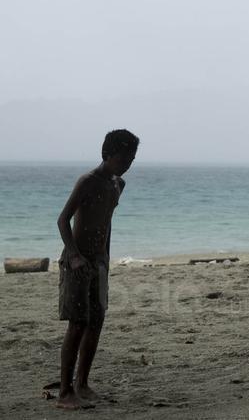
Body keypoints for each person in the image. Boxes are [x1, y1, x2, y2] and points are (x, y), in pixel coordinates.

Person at [55, 129, 139, 410]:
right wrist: (75, 257)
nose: (127, 163)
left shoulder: (119, 185)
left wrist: (105, 258)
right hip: (77, 262)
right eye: (123, 157)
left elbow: (107, 222)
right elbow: (63, 220)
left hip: (99, 262)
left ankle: (83, 383)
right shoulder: (87, 182)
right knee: (77, 323)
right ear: (108, 154)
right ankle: (65, 391)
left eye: (132, 158)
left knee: (96, 321)